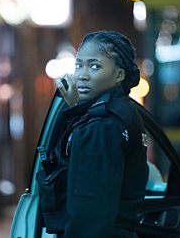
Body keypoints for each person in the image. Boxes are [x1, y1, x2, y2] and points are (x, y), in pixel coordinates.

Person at [36, 30, 148, 238]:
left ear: (118, 75)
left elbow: (89, 208)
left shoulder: (103, 123)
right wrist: (76, 106)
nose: (82, 75)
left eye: (95, 66)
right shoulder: (123, 110)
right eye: (79, 65)